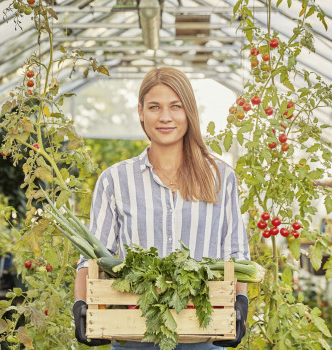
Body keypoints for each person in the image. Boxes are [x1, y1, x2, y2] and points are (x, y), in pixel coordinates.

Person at [72, 67, 250, 349]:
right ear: (141, 111)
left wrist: (240, 303)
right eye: (155, 107)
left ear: (189, 112)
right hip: (134, 334)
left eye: (175, 107)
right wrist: (82, 305)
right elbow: (93, 259)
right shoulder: (115, 180)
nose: (165, 117)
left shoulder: (220, 178)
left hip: (203, 333)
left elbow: (236, 254)